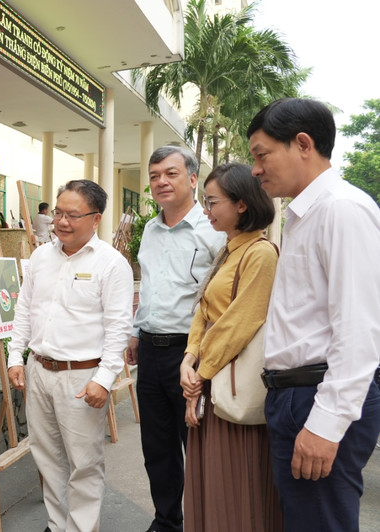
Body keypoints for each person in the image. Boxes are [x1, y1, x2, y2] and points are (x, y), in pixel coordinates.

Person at [247, 98, 380, 531]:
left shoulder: (341, 209)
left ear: (303, 144)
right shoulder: (305, 213)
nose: (256, 169)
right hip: (295, 394)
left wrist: (327, 423)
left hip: (316, 395)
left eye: (262, 154)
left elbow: (359, 330)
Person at [7, 179, 133, 532]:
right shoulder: (40, 257)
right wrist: (16, 356)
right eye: (59, 212)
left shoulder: (111, 264)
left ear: (96, 219)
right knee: (47, 458)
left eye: (73, 215)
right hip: (39, 370)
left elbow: (117, 327)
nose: (62, 221)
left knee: (84, 463)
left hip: (82, 377)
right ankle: (56, 524)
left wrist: (104, 380)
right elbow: (25, 309)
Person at [178, 162, 282, 531]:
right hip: (210, 380)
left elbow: (240, 323)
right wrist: (189, 361)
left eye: (212, 202)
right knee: (212, 485)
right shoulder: (228, 250)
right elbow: (203, 311)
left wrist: (198, 375)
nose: (206, 210)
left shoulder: (260, 253)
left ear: (241, 203)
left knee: (237, 488)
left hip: (232, 387)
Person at [129, 145, 224, 532]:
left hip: (192, 353)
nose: (161, 182)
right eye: (154, 176)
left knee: (199, 446)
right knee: (158, 447)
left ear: (191, 179)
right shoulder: (150, 230)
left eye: (170, 173)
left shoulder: (213, 230)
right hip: (150, 351)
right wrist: (136, 332)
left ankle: (207, 522)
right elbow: (148, 286)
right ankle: (167, 521)